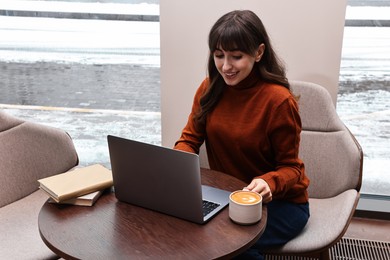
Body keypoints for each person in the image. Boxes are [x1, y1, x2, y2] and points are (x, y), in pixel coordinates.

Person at [174, 9, 310, 259]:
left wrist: (269, 182)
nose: (225, 66)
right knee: (184, 231)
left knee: (228, 244)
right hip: (226, 197)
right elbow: (189, 140)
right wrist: (175, 166)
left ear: (258, 53)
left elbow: (292, 168)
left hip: (283, 205)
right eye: (218, 55)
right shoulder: (209, 89)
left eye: (236, 56)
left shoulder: (279, 101)